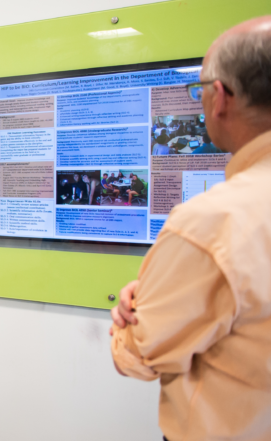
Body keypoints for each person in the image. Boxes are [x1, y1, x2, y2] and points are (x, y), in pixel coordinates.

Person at [110, 16, 271, 440]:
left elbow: (137, 356)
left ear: (219, 97)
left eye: (198, 90)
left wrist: (137, 314)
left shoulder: (210, 223)